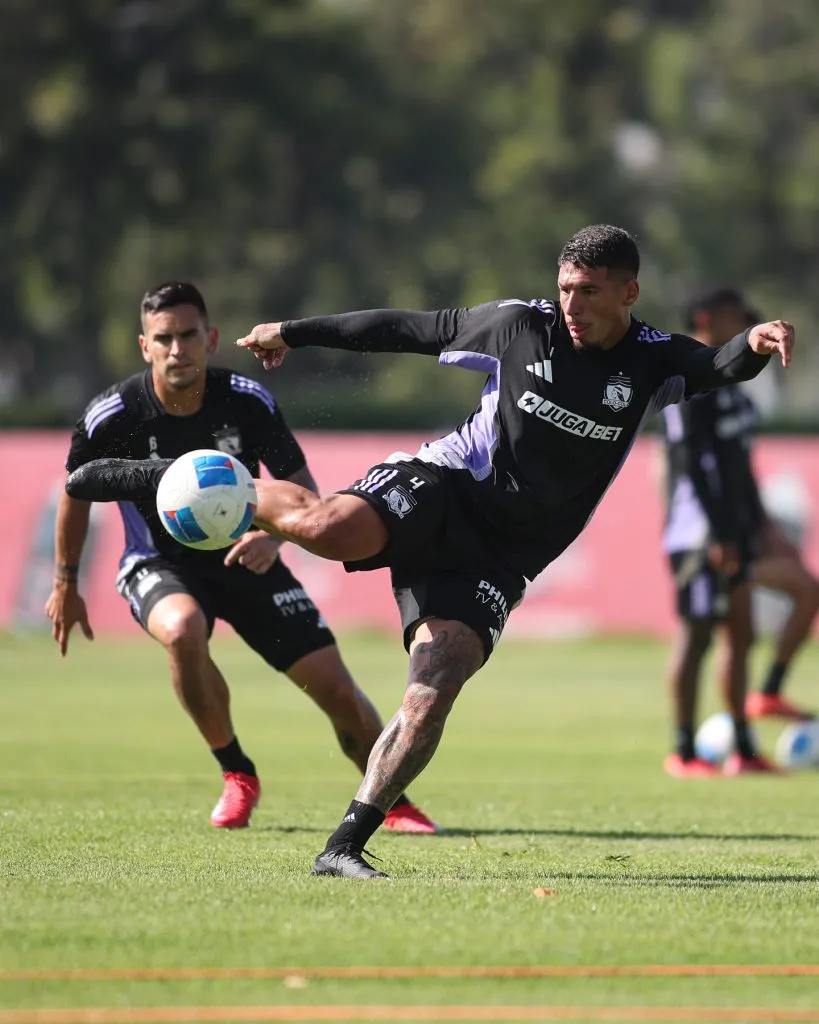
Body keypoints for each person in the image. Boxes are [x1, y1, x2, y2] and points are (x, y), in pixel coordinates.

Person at [65, 227, 794, 878]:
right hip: (444, 483)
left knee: (433, 687)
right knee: (323, 530)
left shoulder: (652, 361)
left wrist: (756, 344)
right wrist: (296, 329)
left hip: (500, 558)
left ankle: (344, 845)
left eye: (590, 292)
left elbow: (721, 364)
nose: (571, 303)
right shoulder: (518, 325)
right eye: (565, 287)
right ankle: (176, 478)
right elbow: (406, 329)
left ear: (628, 293)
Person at [45, 281, 438, 835]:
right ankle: (237, 773)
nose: (177, 349)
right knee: (182, 629)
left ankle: (391, 803)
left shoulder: (247, 401)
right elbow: (75, 491)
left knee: (336, 689)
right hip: (159, 564)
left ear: (210, 338)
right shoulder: (114, 415)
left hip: (248, 558)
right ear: (144, 346)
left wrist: (276, 539)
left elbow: (302, 489)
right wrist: (65, 581)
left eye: (188, 336)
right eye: (164, 339)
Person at [659, 287, 818, 779]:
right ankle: (684, 752)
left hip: (737, 529)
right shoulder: (684, 378)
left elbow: (740, 469)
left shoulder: (737, 390)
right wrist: (715, 533)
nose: (746, 325)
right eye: (737, 318)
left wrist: (760, 526)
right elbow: (688, 464)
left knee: (741, 635)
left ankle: (744, 748)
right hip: (699, 531)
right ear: (707, 318)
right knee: (697, 634)